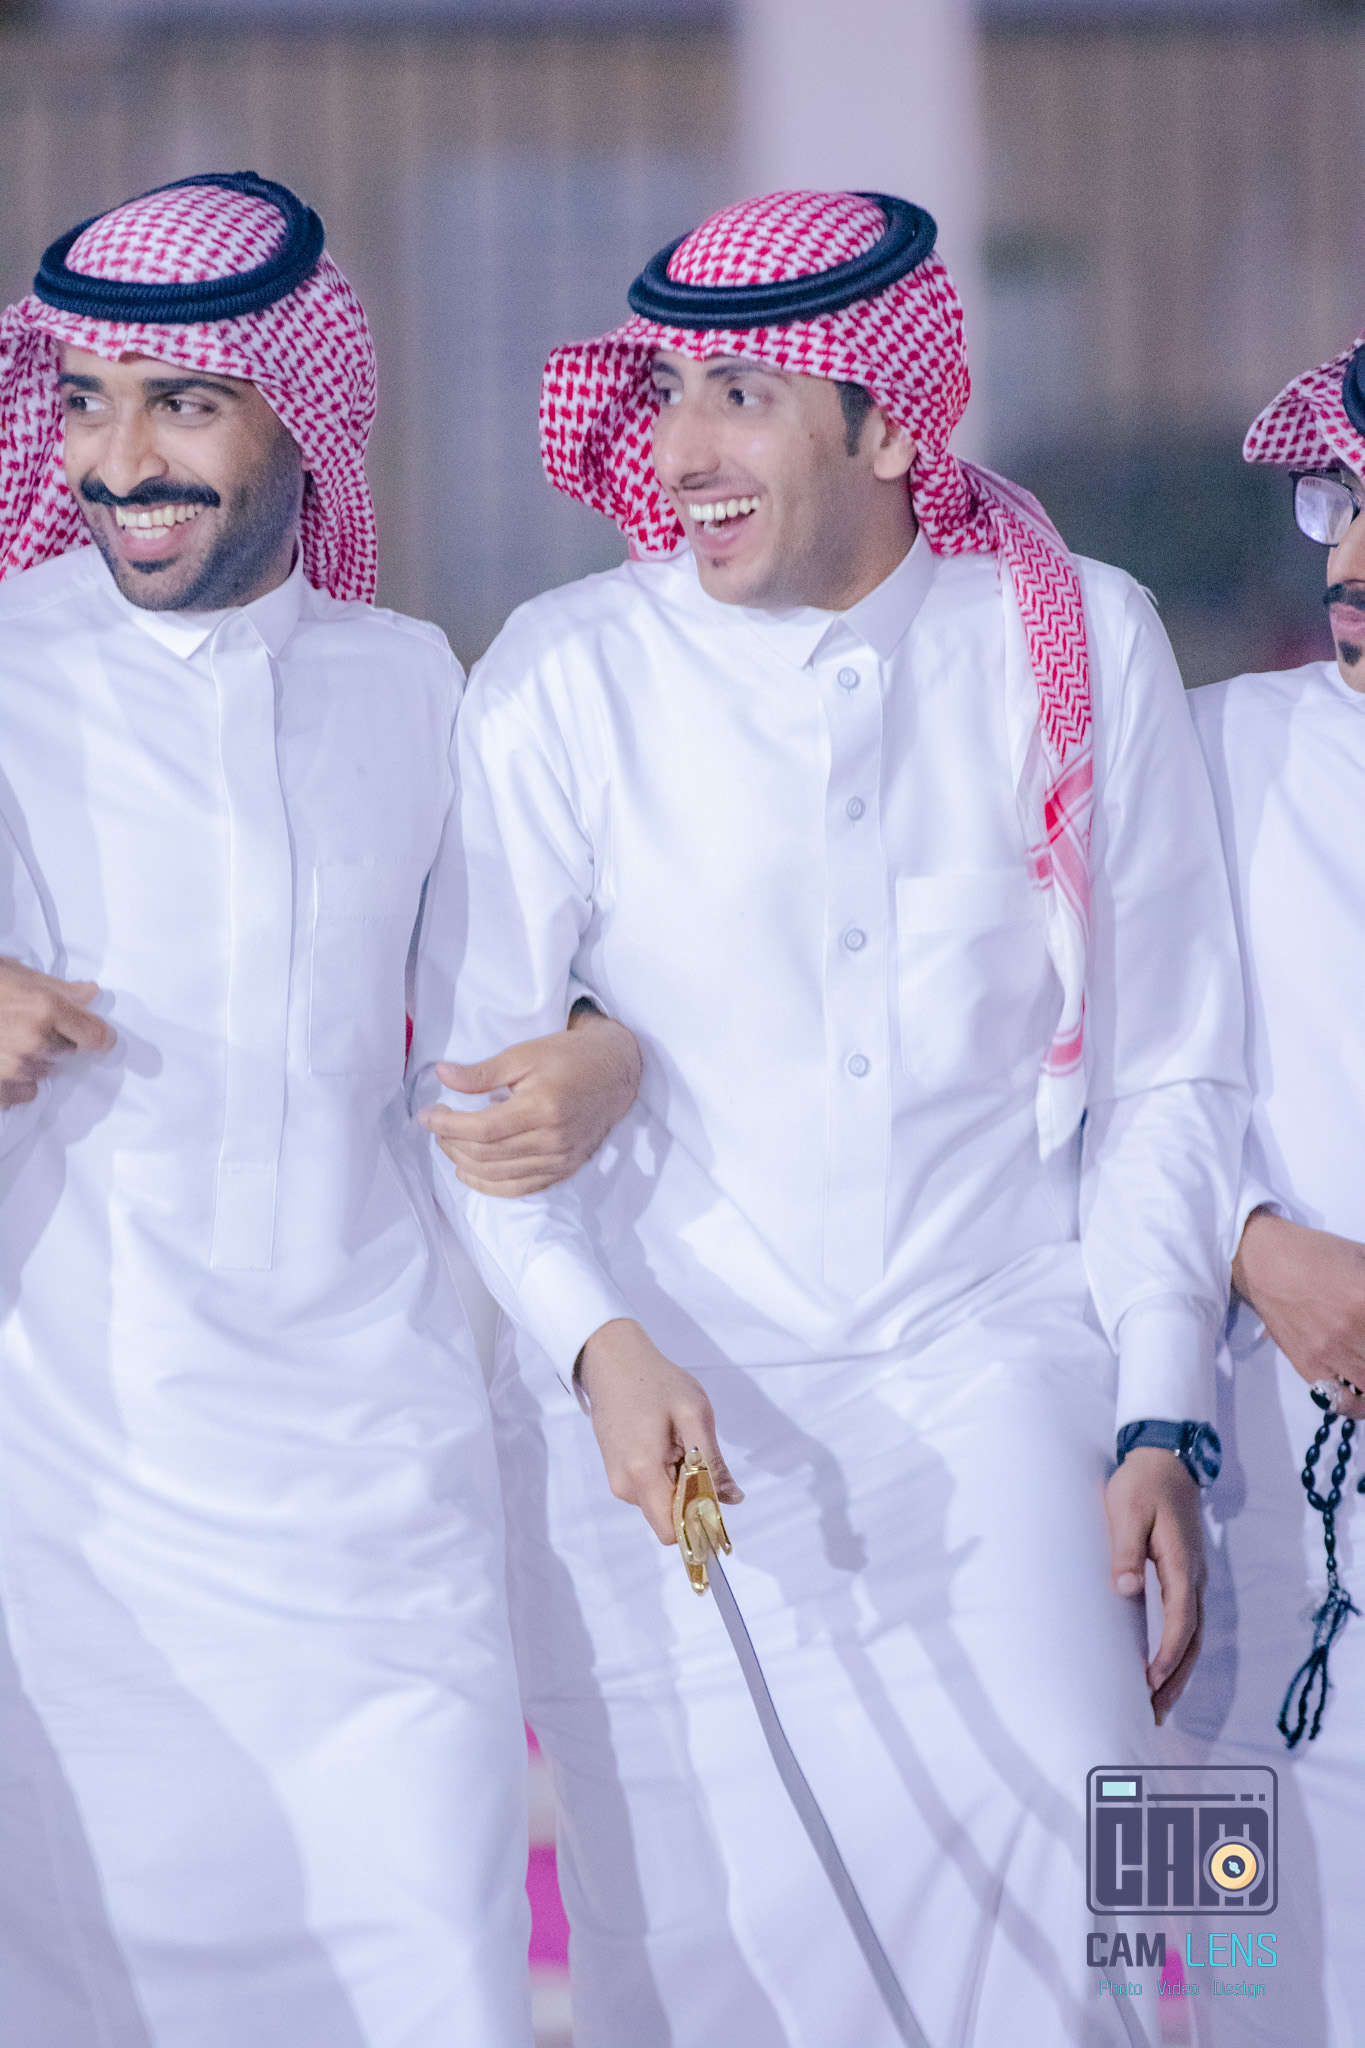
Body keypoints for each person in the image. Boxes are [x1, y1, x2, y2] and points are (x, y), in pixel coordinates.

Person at [414, 190, 1248, 2047]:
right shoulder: (565, 670)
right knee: (691, 1975)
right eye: (665, 396)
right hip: (659, 1421)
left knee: (1127, 1902)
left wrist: (1156, 1408)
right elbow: (468, 1098)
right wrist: (595, 1343)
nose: (677, 454)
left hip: (998, 1373)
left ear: (887, 424)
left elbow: (1169, 1068)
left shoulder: (1082, 636)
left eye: (739, 397)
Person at [0, 171, 638, 2048]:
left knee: (428, 1980)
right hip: (71, 1519)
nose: (121, 462)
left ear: (303, 417)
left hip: (375, 1515)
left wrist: (598, 1051)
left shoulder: (411, 685)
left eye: (182, 404)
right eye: (85, 404)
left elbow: (495, 1033)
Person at [1183, 336, 1365, 2046]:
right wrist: (1248, 1245)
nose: (1352, 562)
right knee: (1215, 1986)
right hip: (1228, 1577)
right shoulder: (1213, 751)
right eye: (1341, 505)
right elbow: (1070, 1092)